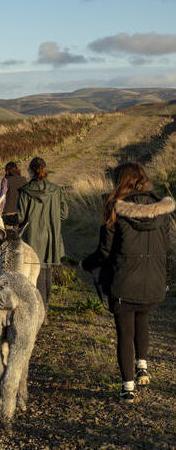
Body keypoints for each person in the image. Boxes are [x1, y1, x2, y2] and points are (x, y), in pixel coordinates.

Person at [80, 162, 174, 403]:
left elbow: (104, 252)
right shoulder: (161, 209)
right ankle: (142, 365)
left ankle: (128, 388)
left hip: (124, 281)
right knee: (142, 319)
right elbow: (168, 249)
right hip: (153, 280)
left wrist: (85, 264)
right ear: (143, 179)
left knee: (125, 332)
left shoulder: (115, 209)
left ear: (120, 181)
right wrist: (163, 275)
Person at [17, 157, 68, 310]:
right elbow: (64, 214)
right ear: (45, 170)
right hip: (51, 238)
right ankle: (45, 308)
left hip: (32, 238)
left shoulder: (25, 192)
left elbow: (20, 217)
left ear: (30, 171)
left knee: (35, 274)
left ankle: (39, 310)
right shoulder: (56, 191)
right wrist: (52, 214)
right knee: (47, 272)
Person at [0, 161, 28, 227]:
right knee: (19, 235)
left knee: (8, 235)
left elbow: (3, 196)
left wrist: (0, 210)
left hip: (8, 213)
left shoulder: (6, 180)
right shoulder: (24, 179)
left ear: (7, 171)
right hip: (21, 212)